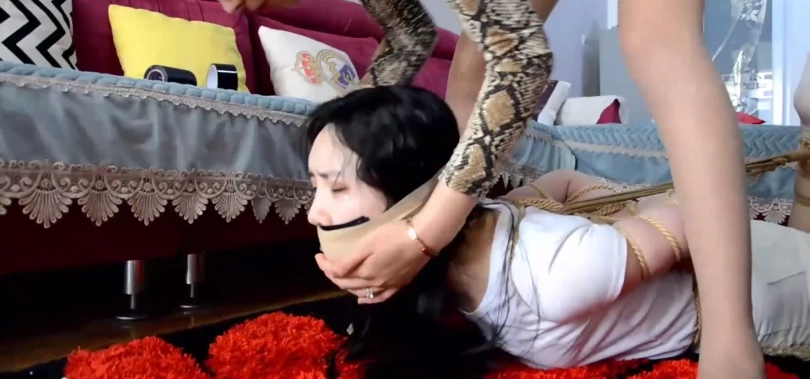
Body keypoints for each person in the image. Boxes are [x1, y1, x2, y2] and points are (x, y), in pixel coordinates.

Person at [127, 0, 761, 375]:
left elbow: (525, 61)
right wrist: (353, 141)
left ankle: (732, 345)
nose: (224, 3)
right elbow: (410, 33)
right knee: (471, 65)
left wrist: (425, 233)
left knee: (656, 42)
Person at [305, 85, 810, 379]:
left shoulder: (558, 271)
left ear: (411, 191)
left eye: (337, 188)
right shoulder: (490, 222)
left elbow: (703, 212)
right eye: (315, 187)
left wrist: (622, 229)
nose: (314, 214)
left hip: (766, 288)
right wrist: (623, 221)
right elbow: (566, 181)